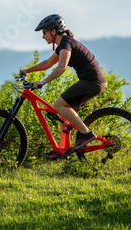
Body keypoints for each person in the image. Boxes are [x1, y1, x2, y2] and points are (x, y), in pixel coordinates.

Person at [19, 14, 107, 159]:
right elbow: (48, 63)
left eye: (44, 32)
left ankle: (87, 134)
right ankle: (63, 149)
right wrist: (28, 70)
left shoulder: (67, 44)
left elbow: (61, 68)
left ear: (53, 32)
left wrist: (43, 82)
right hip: (93, 82)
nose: (43, 36)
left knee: (59, 104)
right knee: (64, 112)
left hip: (93, 82)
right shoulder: (63, 45)